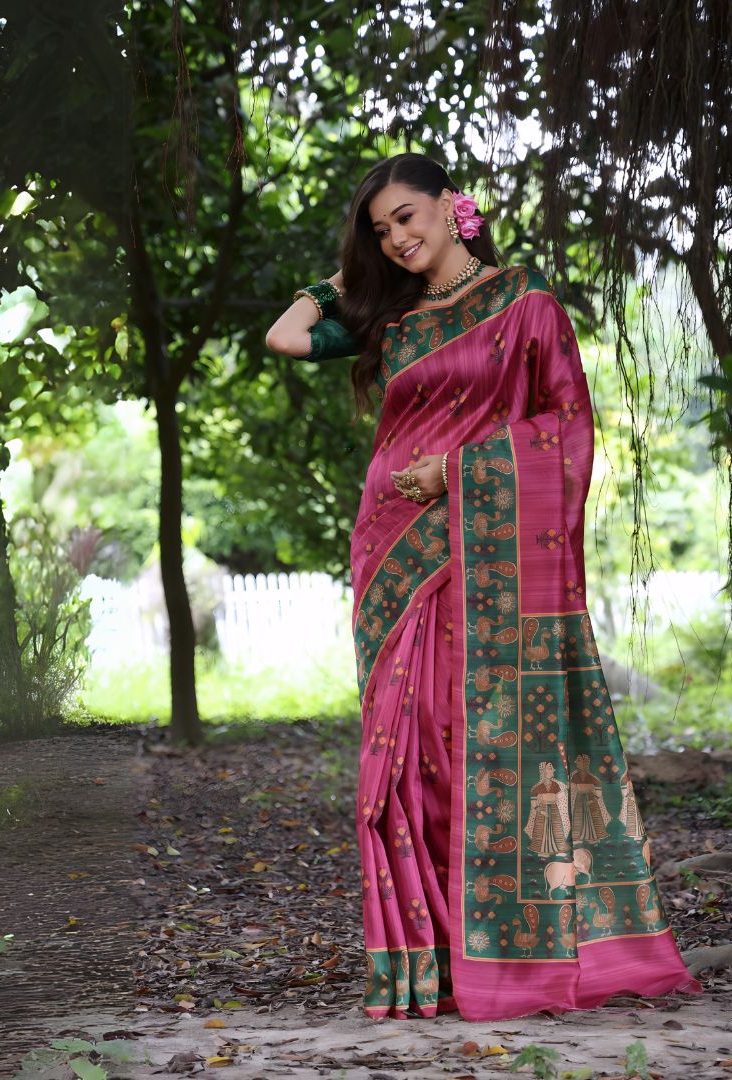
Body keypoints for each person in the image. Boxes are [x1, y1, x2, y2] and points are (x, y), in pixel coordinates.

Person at [266, 153, 700, 1021]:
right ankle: (430, 961)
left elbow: (567, 427)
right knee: (406, 756)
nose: (397, 237)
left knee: (480, 744)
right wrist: (344, 278)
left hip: (485, 553)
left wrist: (459, 472)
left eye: (406, 216)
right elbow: (284, 335)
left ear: (451, 206)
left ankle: (503, 955)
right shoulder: (386, 314)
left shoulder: (524, 302)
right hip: (395, 555)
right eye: (380, 229)